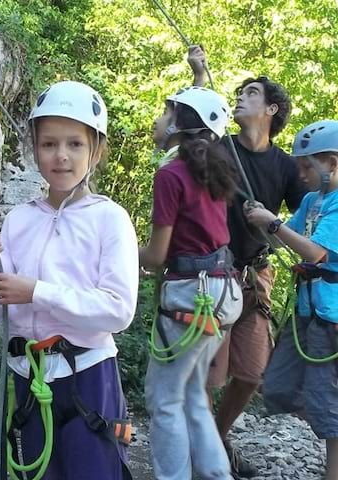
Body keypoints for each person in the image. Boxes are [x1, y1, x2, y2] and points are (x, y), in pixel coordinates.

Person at [0, 80, 139, 479]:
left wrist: (38, 292)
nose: (61, 156)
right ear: (34, 148)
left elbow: (118, 310)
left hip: (89, 375)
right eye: (48, 144)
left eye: (75, 144)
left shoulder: (109, 218)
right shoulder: (20, 220)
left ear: (96, 150)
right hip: (28, 376)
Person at [189, 46, 308, 478]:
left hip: (255, 275)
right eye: (239, 91)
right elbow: (190, 126)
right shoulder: (218, 148)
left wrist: (276, 223)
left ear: (271, 109)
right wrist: (201, 76)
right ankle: (208, 452)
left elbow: (310, 213)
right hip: (211, 272)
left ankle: (216, 439)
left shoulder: (288, 167)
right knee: (207, 374)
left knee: (254, 373)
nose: (240, 96)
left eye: (251, 93)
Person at [140, 86, 243, 480]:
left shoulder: (171, 175)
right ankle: (217, 475)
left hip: (191, 295)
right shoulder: (213, 173)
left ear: (181, 124)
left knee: (164, 399)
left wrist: (116, 254)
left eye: (165, 112)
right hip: (223, 291)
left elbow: (156, 254)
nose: (158, 120)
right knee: (193, 396)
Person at [245, 119, 338, 480]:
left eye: (306, 166)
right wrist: (261, 222)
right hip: (307, 309)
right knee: (279, 387)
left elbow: (315, 253)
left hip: (330, 314)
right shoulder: (313, 202)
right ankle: (322, 415)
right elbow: (283, 240)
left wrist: (272, 223)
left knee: (324, 398)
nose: (300, 174)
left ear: (331, 163)